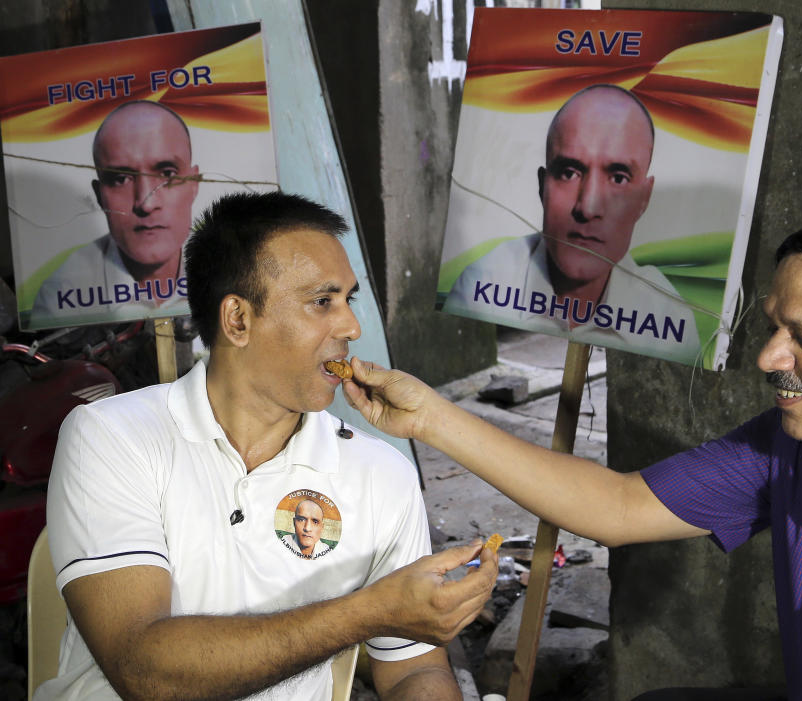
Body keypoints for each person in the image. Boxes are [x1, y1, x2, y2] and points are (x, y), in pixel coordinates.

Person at [347, 204, 802, 699]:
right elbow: (619, 507)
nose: (769, 358)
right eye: (775, 326)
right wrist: (429, 417)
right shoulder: (800, 441)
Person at [38, 191, 497, 701]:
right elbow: (146, 672)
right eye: (322, 302)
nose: (351, 326)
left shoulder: (379, 472)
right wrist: (370, 610)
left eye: (348, 299)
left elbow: (414, 671)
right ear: (238, 320)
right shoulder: (109, 437)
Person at [444, 84, 701, 364]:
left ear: (644, 199)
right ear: (543, 186)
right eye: (569, 173)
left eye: (618, 178)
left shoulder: (670, 319)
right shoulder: (481, 284)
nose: (587, 208)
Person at [31, 101, 198, 326]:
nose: (146, 203)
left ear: (194, 184)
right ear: (100, 196)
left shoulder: (231, 273)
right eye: (121, 179)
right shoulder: (62, 293)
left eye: (167, 174)